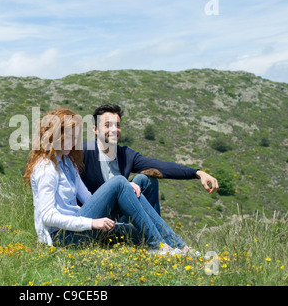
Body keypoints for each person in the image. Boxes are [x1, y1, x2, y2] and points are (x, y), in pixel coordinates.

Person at [23, 108, 196, 255]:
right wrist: (92, 223)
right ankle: (160, 247)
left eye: (75, 137)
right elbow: (48, 217)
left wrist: (124, 194)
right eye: (69, 137)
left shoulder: (68, 163)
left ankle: (179, 247)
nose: (74, 141)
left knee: (139, 231)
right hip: (63, 237)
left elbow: (88, 198)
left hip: (80, 227)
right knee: (120, 182)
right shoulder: (46, 168)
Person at [82, 103, 219, 216]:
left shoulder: (126, 154)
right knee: (121, 183)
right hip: (95, 219)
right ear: (95, 130)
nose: (114, 129)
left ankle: (150, 237)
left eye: (117, 125)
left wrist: (197, 173)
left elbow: (161, 166)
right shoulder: (84, 152)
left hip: (118, 218)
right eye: (107, 125)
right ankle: (158, 239)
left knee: (146, 179)